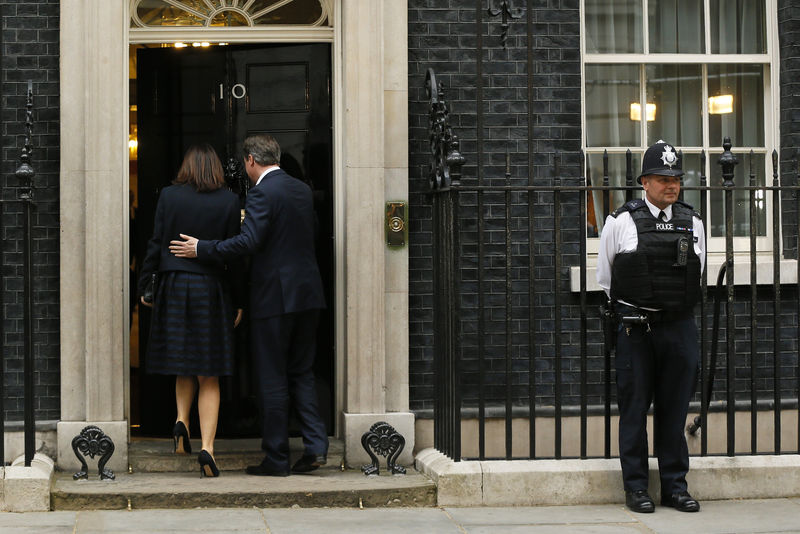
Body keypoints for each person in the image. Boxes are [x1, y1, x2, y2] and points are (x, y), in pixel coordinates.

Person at [169, 134, 328, 477]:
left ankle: (276, 458)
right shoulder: (301, 190)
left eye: (244, 163)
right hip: (309, 295)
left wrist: (203, 249)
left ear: (251, 161)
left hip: (274, 297)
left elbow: (250, 241)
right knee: (301, 372)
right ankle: (316, 445)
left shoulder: (261, 193)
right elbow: (310, 234)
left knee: (272, 377)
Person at [596, 140, 706, 513]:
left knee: (674, 411)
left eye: (675, 178)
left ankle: (675, 487)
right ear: (644, 181)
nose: (671, 185)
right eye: (662, 178)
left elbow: (698, 272)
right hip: (636, 328)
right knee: (634, 409)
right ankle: (637, 488)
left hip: (678, 327)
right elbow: (607, 280)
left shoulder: (693, 222)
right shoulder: (621, 221)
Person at [138, 143, 243, 478]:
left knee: (185, 361)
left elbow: (156, 242)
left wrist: (145, 284)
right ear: (215, 168)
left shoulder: (169, 196)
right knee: (208, 372)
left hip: (172, 285)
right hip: (210, 288)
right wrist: (239, 298)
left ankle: (181, 421)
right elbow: (233, 253)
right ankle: (207, 448)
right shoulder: (229, 200)